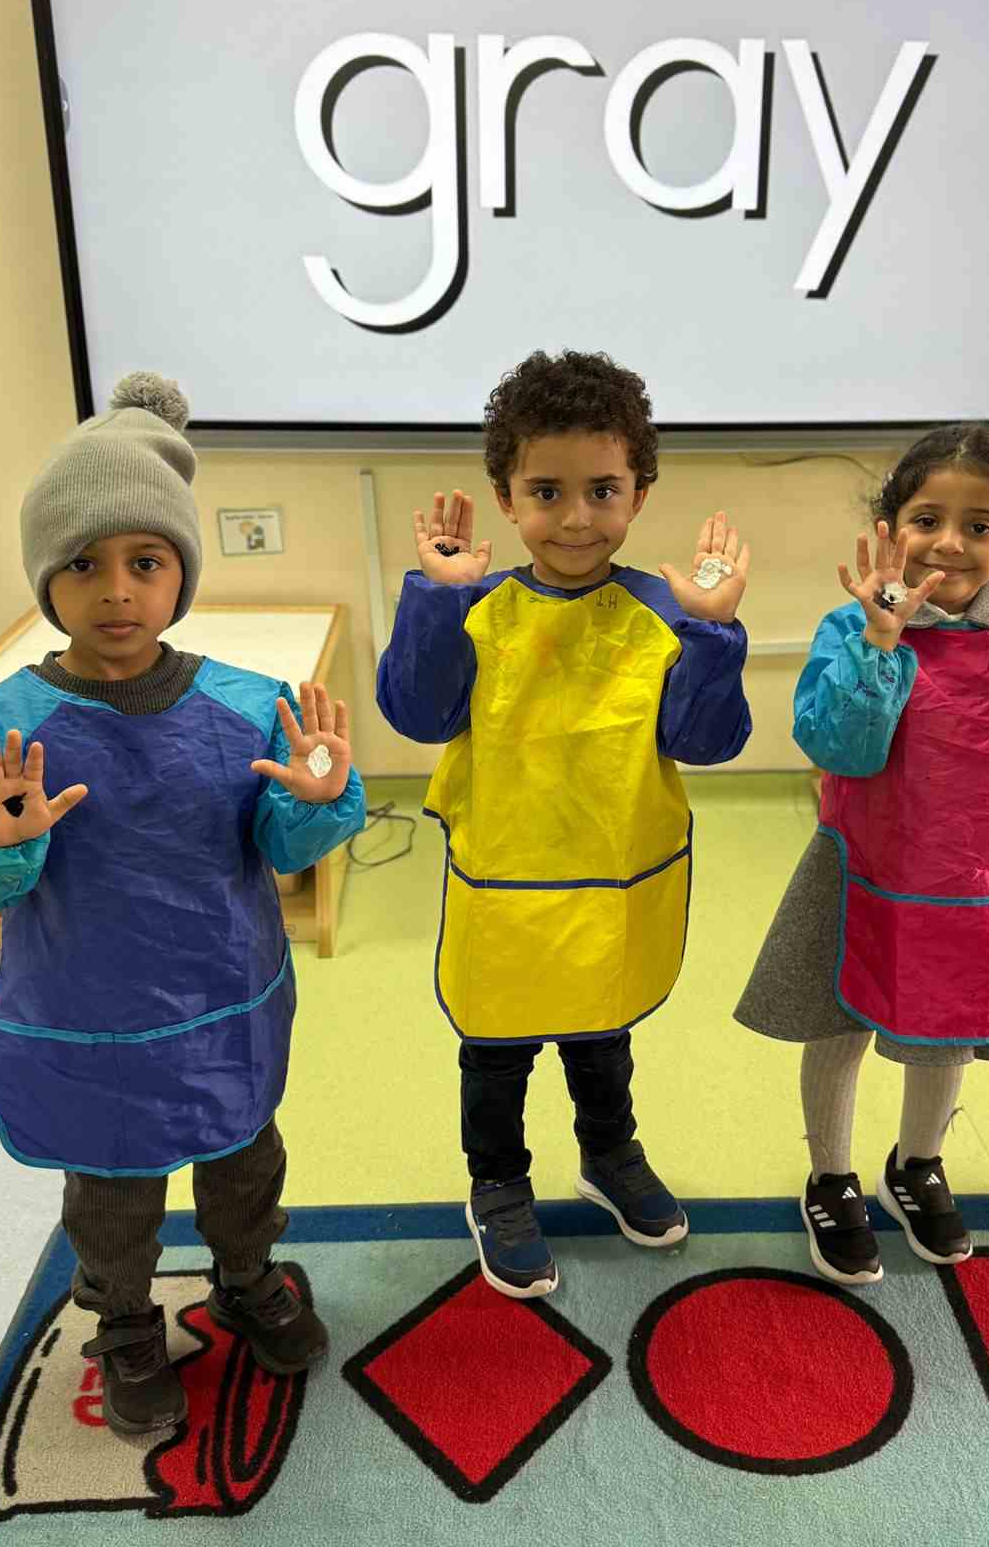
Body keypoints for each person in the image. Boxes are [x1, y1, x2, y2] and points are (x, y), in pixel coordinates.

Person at [0, 373, 366, 1433]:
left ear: (181, 573)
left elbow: (278, 844)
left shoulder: (243, 706)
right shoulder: (3, 728)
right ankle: (126, 1322)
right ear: (46, 578)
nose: (116, 591)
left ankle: (246, 1277)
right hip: (90, 1019)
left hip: (222, 1000)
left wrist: (317, 804)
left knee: (244, 1159)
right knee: (112, 1198)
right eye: (83, 564)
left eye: (145, 562)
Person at [378, 349, 752, 1297]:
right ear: (507, 499)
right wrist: (438, 599)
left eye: (602, 491)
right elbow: (417, 714)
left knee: (601, 1033)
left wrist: (713, 632)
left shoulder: (664, 612)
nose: (577, 517)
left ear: (640, 494)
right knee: (495, 1052)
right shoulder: (479, 607)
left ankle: (609, 1154)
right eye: (547, 492)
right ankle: (499, 1182)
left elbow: (707, 741)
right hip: (505, 884)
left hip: (614, 881)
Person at [734, 424, 989, 1284]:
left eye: (979, 526)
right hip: (869, 873)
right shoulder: (852, 628)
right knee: (840, 1020)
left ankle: (917, 1165)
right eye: (927, 520)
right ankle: (831, 1176)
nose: (949, 543)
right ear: (891, 531)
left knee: (951, 1024)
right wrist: (881, 645)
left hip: (988, 883)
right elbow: (840, 748)